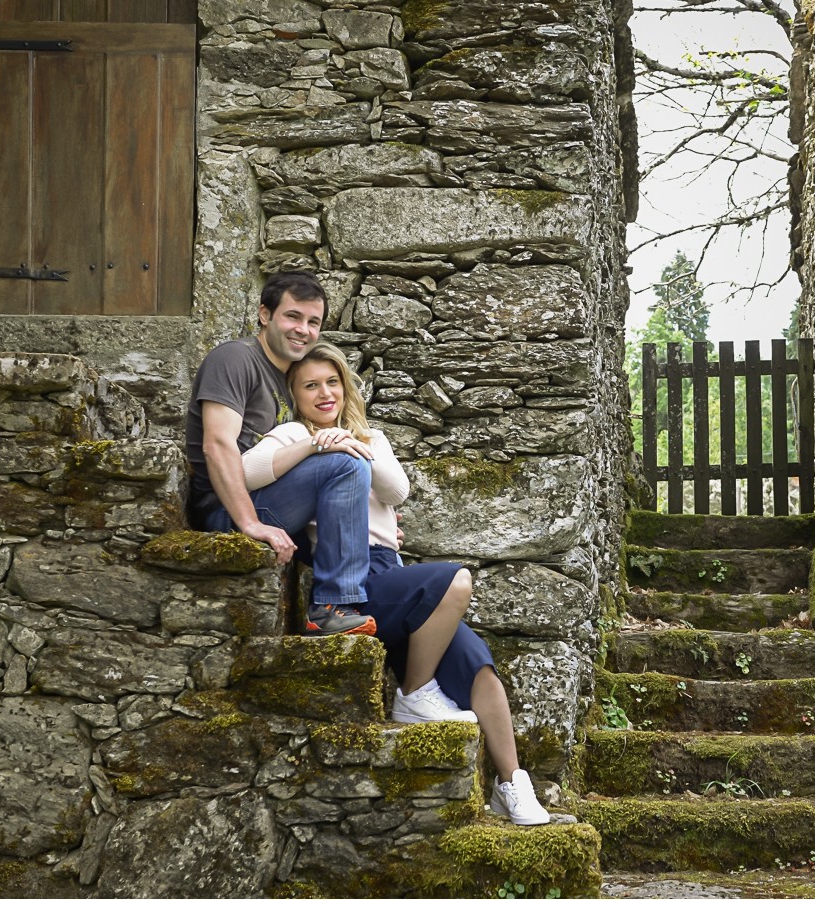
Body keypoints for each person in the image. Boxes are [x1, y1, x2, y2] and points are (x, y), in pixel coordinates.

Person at [241, 342, 554, 826]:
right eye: (310, 386)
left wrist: (349, 440)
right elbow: (244, 473)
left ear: (345, 387)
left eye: (332, 382)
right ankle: (414, 693)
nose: (324, 393)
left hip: (392, 572)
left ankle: (512, 785)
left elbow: (396, 490)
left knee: (480, 670)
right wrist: (312, 445)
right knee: (455, 580)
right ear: (294, 394)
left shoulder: (371, 438)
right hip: (348, 579)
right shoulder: (289, 434)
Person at [184, 272, 377, 637]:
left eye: (313, 322)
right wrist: (249, 523)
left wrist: (374, 521)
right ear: (264, 315)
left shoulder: (291, 380)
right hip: (225, 508)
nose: (302, 329)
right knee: (345, 463)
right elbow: (217, 445)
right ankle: (331, 606)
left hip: (272, 499)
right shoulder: (234, 359)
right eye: (293, 316)